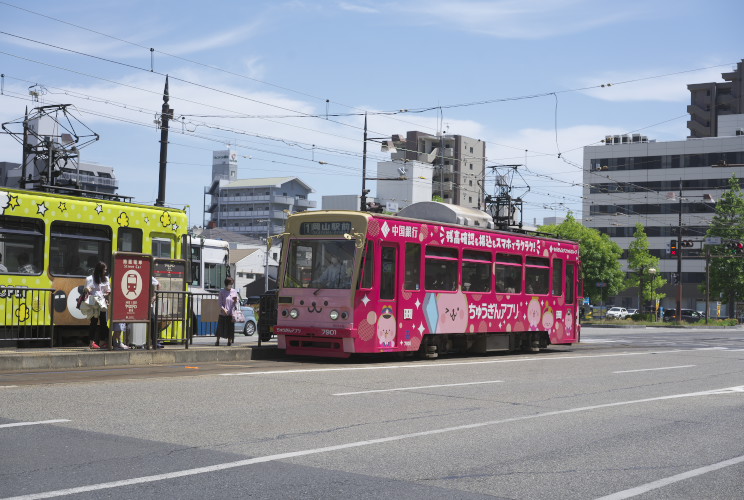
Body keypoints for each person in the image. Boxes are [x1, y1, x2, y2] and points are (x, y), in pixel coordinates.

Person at [86, 261, 111, 350]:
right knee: (94, 322)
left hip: (103, 302)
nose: (106, 271)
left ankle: (102, 341)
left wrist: (107, 296)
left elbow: (108, 290)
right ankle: (91, 342)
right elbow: (88, 289)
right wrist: (88, 289)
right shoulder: (90, 278)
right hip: (94, 302)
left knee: (103, 322)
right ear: (99, 270)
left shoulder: (106, 279)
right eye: (104, 270)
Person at [216, 276, 238, 346]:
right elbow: (219, 303)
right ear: (226, 284)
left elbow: (237, 302)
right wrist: (223, 309)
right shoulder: (222, 292)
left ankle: (229, 341)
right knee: (220, 328)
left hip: (231, 313)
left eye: (232, 284)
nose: (231, 285)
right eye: (230, 284)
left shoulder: (234, 291)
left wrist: (236, 301)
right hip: (223, 313)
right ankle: (217, 341)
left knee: (230, 328)